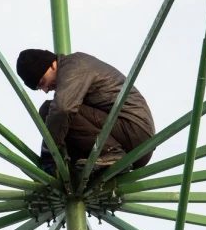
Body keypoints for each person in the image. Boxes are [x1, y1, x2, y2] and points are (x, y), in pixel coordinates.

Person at [16, 49, 155, 176]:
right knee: (60, 120)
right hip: (135, 144)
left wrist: (48, 152)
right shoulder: (73, 70)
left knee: (51, 111)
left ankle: (111, 152)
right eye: (40, 88)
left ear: (52, 65)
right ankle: (72, 172)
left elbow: (63, 109)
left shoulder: (74, 66)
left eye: (42, 82)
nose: (46, 89)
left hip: (134, 131)